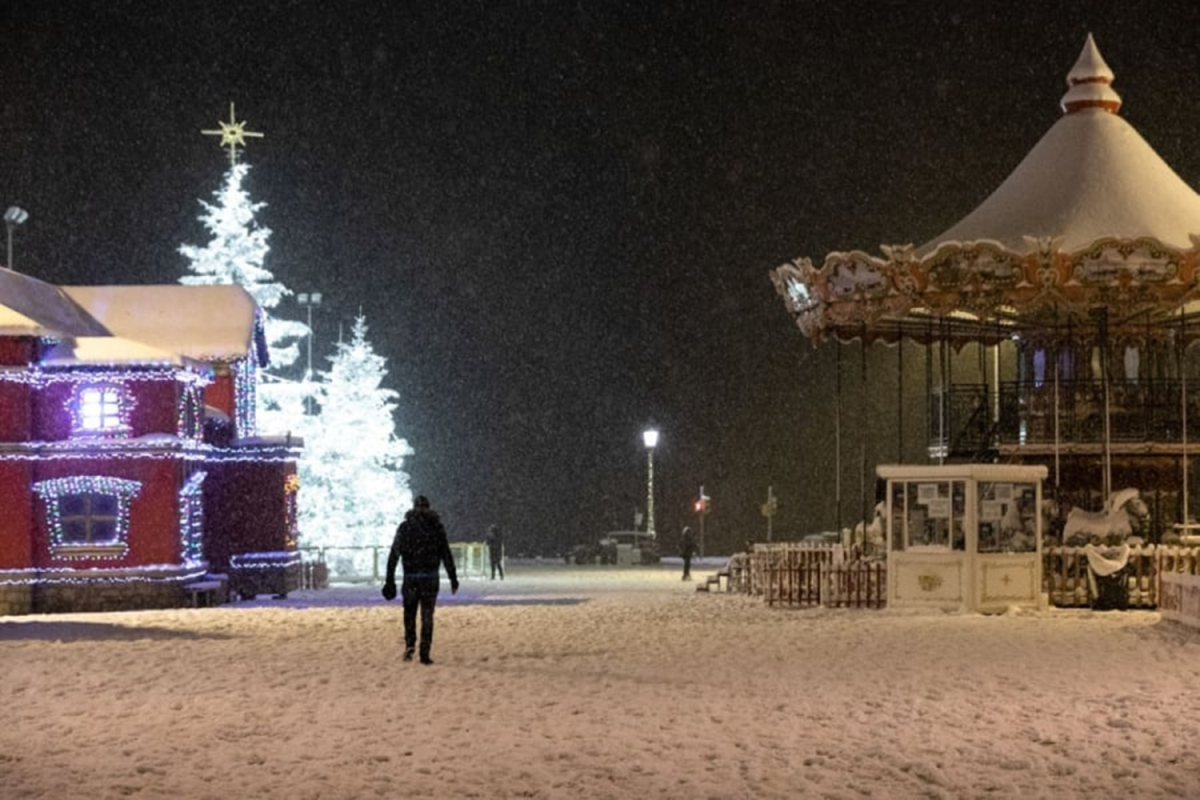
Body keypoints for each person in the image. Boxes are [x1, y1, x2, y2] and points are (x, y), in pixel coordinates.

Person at [382, 495, 459, 665]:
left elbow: (394, 554)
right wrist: (453, 577)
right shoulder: (436, 527)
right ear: (428, 507)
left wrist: (390, 579)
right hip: (430, 578)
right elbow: (445, 553)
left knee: (409, 614)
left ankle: (410, 645)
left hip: (410, 578)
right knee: (427, 615)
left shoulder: (405, 527)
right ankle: (425, 651)